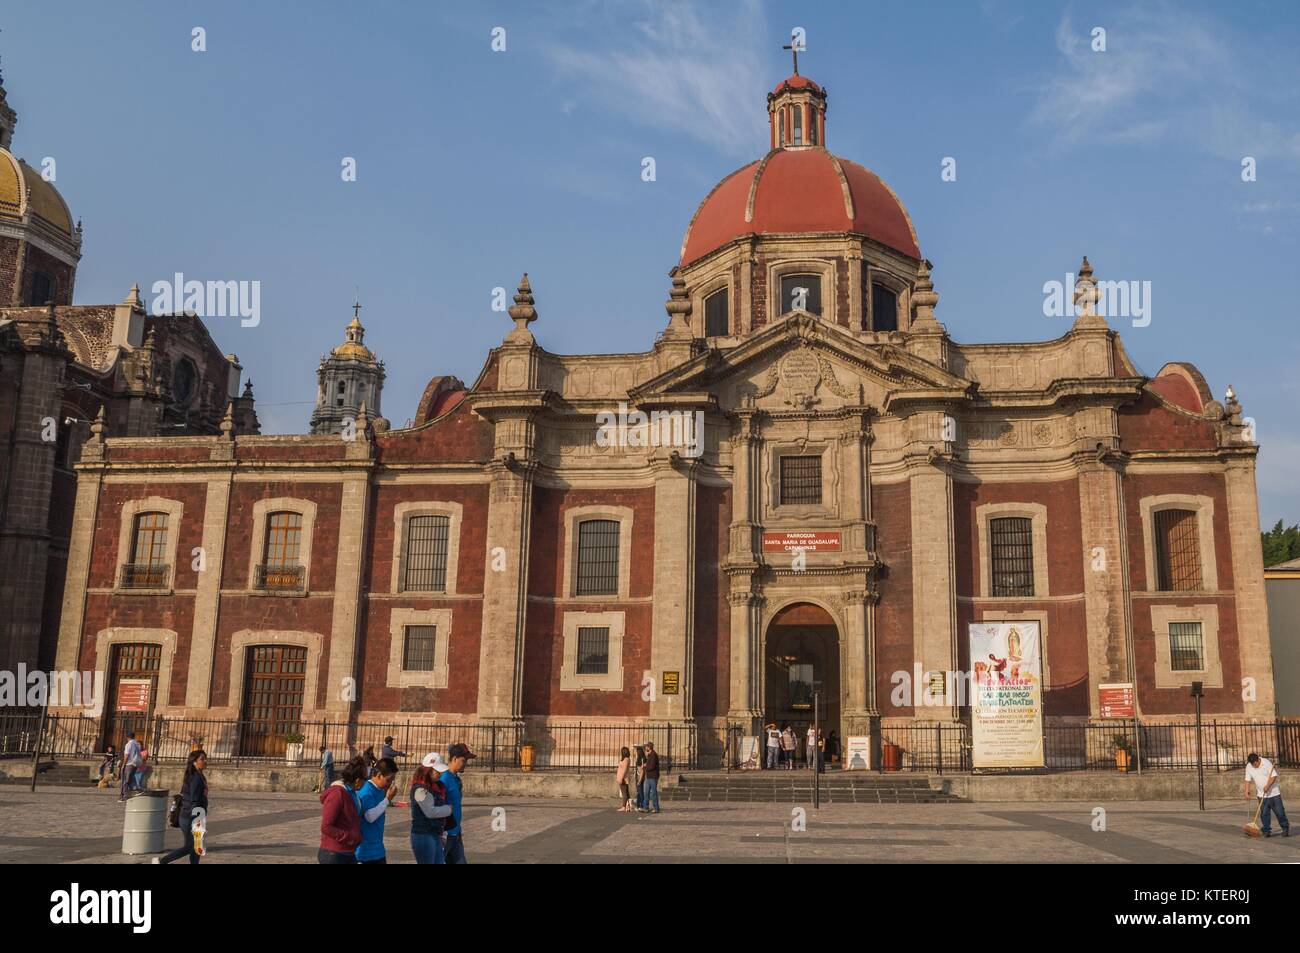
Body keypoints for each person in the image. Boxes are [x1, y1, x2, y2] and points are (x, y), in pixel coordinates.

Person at [154, 749, 208, 865]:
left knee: (197, 846)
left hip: (196, 815)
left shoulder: (199, 776)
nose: (205, 761)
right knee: (190, 847)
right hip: (191, 816)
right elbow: (193, 800)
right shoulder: (195, 778)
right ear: (194, 762)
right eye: (202, 759)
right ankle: (162, 861)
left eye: (205, 758)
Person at [319, 755, 366, 864]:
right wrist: (350, 836)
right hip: (334, 853)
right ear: (358, 780)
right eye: (365, 779)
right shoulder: (337, 794)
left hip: (349, 852)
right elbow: (326, 827)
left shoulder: (354, 794)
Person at [410, 753, 454, 864]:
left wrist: (442, 834)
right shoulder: (420, 789)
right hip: (423, 835)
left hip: (434, 834)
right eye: (437, 771)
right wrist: (448, 809)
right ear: (428, 770)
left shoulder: (435, 786)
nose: (440, 774)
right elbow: (430, 812)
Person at [355, 757, 400, 864]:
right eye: (388, 780)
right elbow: (369, 817)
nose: (390, 783)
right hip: (365, 852)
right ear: (379, 775)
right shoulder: (366, 791)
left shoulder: (380, 790)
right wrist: (387, 799)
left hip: (378, 849)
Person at [442, 742, 476, 863]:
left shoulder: (456, 779)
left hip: (455, 832)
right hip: (445, 834)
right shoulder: (444, 779)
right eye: (464, 760)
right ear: (454, 759)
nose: (465, 764)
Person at [1245, 752, 1290, 837]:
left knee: (1280, 812)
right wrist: (1246, 791)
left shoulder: (1266, 763)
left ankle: (1285, 828)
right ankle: (1266, 830)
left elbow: (1273, 777)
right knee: (1264, 814)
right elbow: (1247, 779)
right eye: (1253, 764)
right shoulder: (1249, 766)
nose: (1254, 765)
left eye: (1255, 763)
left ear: (1258, 760)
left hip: (1274, 794)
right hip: (1261, 794)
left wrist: (1268, 785)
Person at [119, 732, 142, 801]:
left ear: (128, 737)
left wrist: (123, 764)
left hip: (129, 764)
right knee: (130, 780)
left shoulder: (129, 744)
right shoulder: (137, 744)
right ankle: (130, 794)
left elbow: (126, 755)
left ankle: (123, 796)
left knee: (125, 781)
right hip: (135, 764)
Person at [641, 741, 661, 814]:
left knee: (653, 793)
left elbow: (652, 766)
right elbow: (649, 764)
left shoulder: (653, 755)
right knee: (646, 792)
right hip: (648, 776)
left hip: (653, 777)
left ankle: (656, 808)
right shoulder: (650, 755)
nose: (645, 748)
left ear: (649, 747)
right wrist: (645, 764)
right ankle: (645, 807)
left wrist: (645, 767)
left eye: (646, 746)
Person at [615, 746, 632, 811]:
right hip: (622, 778)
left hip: (623, 778)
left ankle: (624, 806)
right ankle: (628, 806)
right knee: (626, 792)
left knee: (624, 792)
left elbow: (624, 770)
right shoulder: (625, 759)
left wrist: (621, 778)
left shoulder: (626, 759)